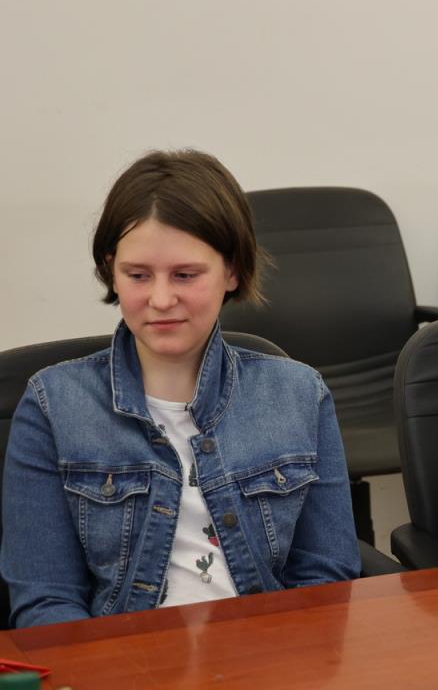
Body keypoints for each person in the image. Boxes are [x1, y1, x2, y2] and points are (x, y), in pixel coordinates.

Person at [1, 150, 360, 628]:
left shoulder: (299, 394)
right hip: (118, 658)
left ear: (232, 271)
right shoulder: (53, 405)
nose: (161, 299)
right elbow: (46, 602)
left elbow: (327, 582)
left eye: (185, 275)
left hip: (270, 652)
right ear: (111, 270)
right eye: (138, 275)